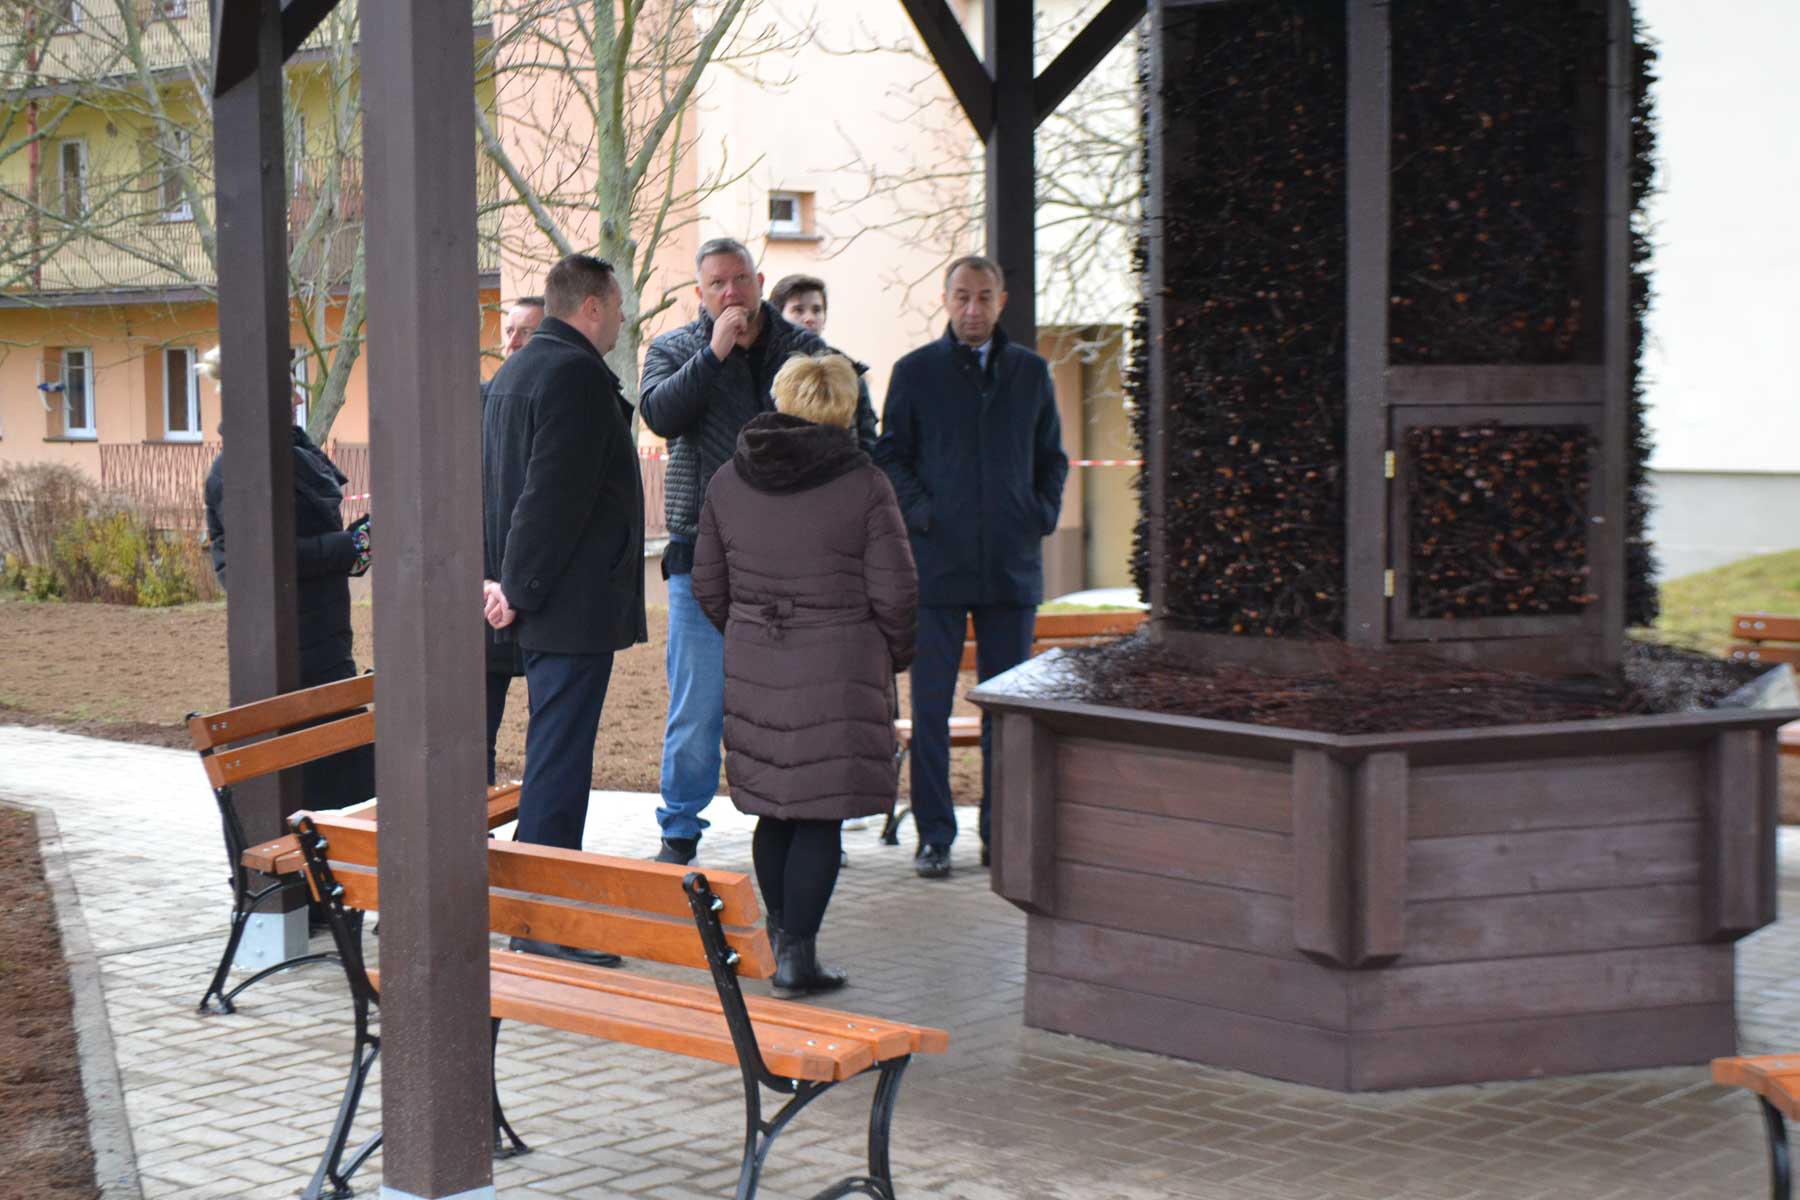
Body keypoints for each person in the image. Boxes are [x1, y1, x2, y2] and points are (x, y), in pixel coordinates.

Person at [639, 238, 877, 866]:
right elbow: (661, 415)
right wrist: (714, 353)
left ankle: (804, 823)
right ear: (699, 293)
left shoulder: (804, 350)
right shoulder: (674, 349)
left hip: (793, 564)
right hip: (701, 557)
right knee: (697, 705)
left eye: (740, 280)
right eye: (716, 284)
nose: (731, 293)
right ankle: (679, 830)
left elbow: (854, 432)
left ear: (760, 280)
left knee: (792, 704)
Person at [692, 352, 917, 994]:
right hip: (840, 667)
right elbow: (897, 593)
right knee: (819, 813)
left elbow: (708, 584)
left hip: (757, 663)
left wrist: (749, 631)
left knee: (775, 811)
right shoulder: (865, 484)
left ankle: (784, 943)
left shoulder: (728, 481)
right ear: (845, 409)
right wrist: (893, 654)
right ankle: (798, 957)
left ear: (782, 399)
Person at [874, 255, 1069, 879]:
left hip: (1010, 570)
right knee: (930, 708)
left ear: (1001, 300)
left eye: (984, 297)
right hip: (935, 569)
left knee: (1005, 711)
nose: (973, 309)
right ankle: (935, 836)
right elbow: (890, 458)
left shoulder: (1031, 373)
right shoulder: (915, 372)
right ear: (945, 299)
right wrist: (926, 516)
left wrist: (1037, 515)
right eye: (962, 296)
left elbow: (1052, 459)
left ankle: (1001, 835)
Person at [483, 254, 647, 966]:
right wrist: (517, 589)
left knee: (553, 757)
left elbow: (508, 495)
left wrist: (505, 585)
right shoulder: (574, 376)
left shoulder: (517, 371)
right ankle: (541, 921)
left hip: (534, 599)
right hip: (566, 606)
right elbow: (550, 499)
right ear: (591, 307)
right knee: (558, 764)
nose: (622, 320)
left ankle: (538, 912)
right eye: (617, 307)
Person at [200, 346, 376, 817]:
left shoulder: (292, 457)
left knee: (347, 784)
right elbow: (261, 565)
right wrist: (350, 545)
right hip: (289, 657)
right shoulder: (238, 473)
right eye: (288, 391)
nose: (299, 399)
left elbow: (307, 547)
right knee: (315, 791)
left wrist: (363, 540)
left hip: (324, 644)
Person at [481, 295, 545, 785]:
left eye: (527, 331)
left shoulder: (560, 407)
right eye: (509, 331)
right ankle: (472, 814)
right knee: (476, 728)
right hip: (485, 591)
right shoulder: (479, 403)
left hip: (543, 593)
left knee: (549, 733)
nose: (514, 342)